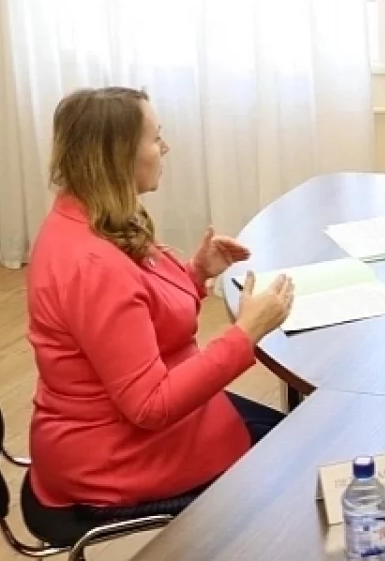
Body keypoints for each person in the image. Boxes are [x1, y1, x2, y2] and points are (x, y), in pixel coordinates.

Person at [26, 86, 296, 508]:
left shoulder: (89, 215)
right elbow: (150, 405)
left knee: (299, 440)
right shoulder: (92, 265)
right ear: (118, 156)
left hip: (124, 433)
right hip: (116, 457)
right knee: (301, 461)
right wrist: (246, 333)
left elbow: (137, 315)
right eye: (155, 138)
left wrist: (195, 273)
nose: (164, 148)